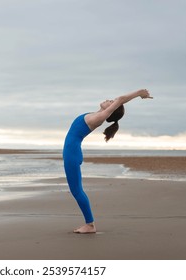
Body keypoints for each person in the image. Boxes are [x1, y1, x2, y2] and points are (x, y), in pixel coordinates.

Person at [63, 89, 153, 233]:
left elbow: (121, 99)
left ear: (112, 109)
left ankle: (90, 225)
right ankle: (89, 223)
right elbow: (119, 100)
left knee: (76, 191)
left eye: (111, 102)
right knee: (76, 190)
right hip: (71, 152)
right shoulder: (97, 114)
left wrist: (140, 93)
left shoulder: (99, 118)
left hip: (71, 154)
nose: (109, 99)